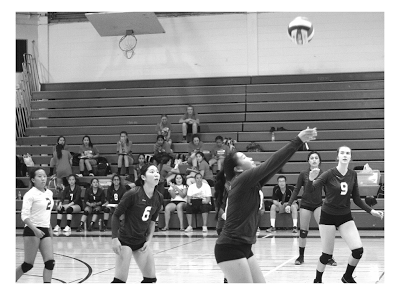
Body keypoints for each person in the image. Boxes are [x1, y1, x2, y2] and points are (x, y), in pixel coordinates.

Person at [214, 127, 317, 283]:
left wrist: (298, 144)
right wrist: (298, 140)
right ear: (239, 169)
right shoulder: (242, 180)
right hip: (230, 248)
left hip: (244, 247)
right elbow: (271, 163)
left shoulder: (250, 182)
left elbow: (275, 166)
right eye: (244, 157)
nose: (249, 157)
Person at [307, 146, 384, 283]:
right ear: (337, 156)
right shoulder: (329, 174)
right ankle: (317, 281)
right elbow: (312, 190)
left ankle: (347, 276)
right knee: (326, 255)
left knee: (358, 251)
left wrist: (371, 211)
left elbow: (357, 199)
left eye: (347, 153)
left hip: (344, 216)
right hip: (327, 216)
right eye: (342, 153)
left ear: (350, 157)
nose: (344, 155)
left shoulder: (353, 174)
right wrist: (310, 180)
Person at [110, 163, 163, 283]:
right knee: (120, 281)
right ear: (143, 177)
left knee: (151, 280)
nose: (156, 174)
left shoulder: (158, 197)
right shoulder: (133, 193)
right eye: (152, 172)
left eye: (157, 172)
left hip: (141, 241)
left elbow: (152, 222)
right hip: (125, 241)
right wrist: (114, 239)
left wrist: (148, 241)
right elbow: (116, 215)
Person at [285, 151, 337, 266]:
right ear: (308, 161)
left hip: (318, 205)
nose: (314, 159)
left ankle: (329, 257)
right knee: (303, 232)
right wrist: (289, 203)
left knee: (325, 232)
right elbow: (297, 189)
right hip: (305, 206)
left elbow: (328, 191)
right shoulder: (303, 174)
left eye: (316, 158)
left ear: (319, 161)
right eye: (312, 158)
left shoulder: (324, 174)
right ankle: (301, 256)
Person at [16, 168, 55, 283]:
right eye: (39, 176)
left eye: (44, 176)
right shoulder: (30, 194)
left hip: (45, 229)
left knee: (50, 263)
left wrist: (50, 228)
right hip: (32, 230)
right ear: (33, 179)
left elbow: (46, 213)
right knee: (28, 264)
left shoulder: (49, 192)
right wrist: (35, 229)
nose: (43, 178)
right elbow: (24, 216)